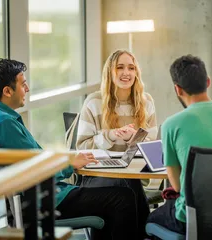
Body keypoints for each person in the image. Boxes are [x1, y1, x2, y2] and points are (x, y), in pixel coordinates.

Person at [0, 58, 142, 240]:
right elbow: (36, 169)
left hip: (33, 198)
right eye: (23, 84)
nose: (27, 89)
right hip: (44, 201)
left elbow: (31, 159)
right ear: (7, 91)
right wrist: (69, 165)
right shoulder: (5, 123)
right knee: (123, 198)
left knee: (112, 196)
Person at [146, 54, 212, 234]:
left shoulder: (171, 125)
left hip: (193, 216)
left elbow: (177, 186)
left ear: (178, 89)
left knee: (149, 218)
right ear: (208, 82)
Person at [76, 49, 157, 236]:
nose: (126, 73)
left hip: (132, 176)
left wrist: (133, 138)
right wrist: (111, 136)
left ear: (137, 72)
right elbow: (82, 146)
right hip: (97, 176)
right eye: (119, 67)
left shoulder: (146, 102)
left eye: (131, 68)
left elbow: (152, 144)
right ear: (109, 72)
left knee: (127, 185)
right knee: (125, 189)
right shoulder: (94, 102)